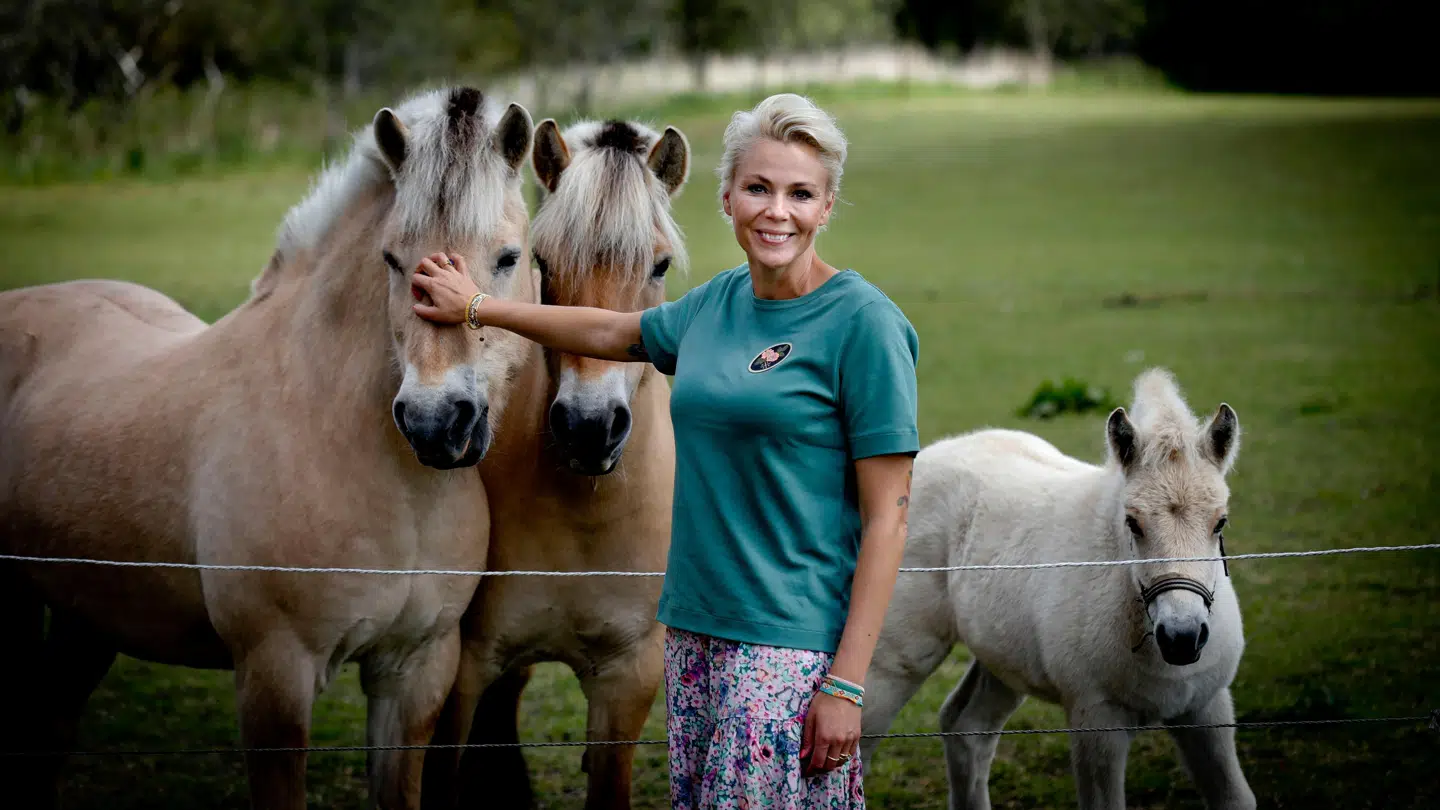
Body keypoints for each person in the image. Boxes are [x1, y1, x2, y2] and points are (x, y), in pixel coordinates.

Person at [410, 93, 918, 809]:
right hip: (694, 638)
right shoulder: (713, 307)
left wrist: (844, 682)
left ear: (827, 206)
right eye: (758, 188)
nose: (777, 211)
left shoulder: (865, 325)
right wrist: (477, 307)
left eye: (801, 193)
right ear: (726, 198)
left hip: (787, 645)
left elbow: (890, 519)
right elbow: (610, 332)